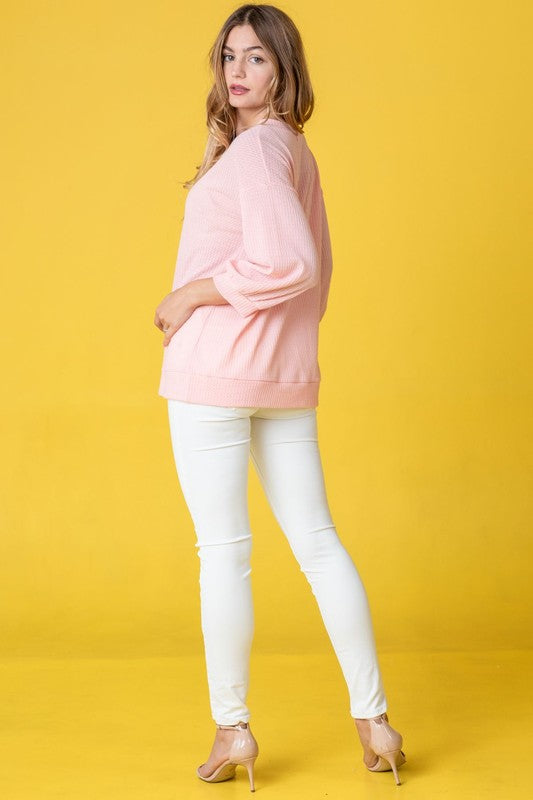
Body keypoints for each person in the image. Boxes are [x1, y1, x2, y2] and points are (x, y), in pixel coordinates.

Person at [154, 3, 406, 791]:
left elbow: (291, 264)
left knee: (223, 556)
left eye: (257, 58)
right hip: (282, 379)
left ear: (285, 70)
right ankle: (374, 721)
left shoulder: (261, 150)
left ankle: (233, 731)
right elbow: (316, 283)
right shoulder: (289, 149)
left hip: (213, 377)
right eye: (229, 56)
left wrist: (193, 294)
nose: (237, 70)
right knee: (319, 544)